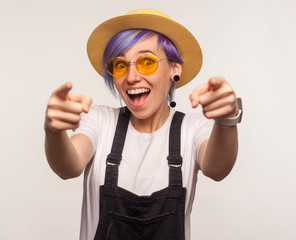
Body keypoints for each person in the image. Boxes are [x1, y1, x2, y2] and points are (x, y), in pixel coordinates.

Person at [44, 9, 242, 240]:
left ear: (174, 69)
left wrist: (227, 120)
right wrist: (53, 130)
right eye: (120, 65)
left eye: (146, 62)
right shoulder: (99, 120)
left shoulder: (192, 128)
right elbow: (68, 167)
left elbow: (217, 169)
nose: (131, 77)